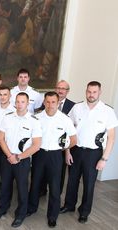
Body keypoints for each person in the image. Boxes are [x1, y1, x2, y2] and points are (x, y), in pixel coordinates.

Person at [60, 81, 118, 224]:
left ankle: (84, 212)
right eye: (89, 91)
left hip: (93, 154)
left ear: (99, 92)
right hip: (75, 150)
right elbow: (68, 131)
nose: (91, 95)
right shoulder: (77, 107)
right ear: (86, 91)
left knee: (89, 184)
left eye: (94, 92)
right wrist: (67, 152)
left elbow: (111, 137)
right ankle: (69, 205)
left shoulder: (107, 111)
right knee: (72, 180)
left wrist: (104, 159)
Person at [27, 91, 77, 228]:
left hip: (55, 155)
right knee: (35, 183)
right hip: (39, 154)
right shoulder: (36, 118)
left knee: (55, 188)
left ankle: (52, 216)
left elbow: (73, 140)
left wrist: (61, 149)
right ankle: (31, 208)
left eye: (53, 102)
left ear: (57, 102)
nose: (50, 105)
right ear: (44, 102)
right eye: (47, 102)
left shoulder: (65, 119)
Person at [0, 92, 41, 228]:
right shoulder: (7, 118)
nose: (19, 105)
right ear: (15, 102)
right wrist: (9, 155)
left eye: (23, 102)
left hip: (22, 160)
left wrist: (18, 157)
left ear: (27, 103)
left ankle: (20, 214)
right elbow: (1, 139)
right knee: (5, 186)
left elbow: (36, 145)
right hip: (7, 158)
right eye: (18, 102)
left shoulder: (34, 121)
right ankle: (2, 209)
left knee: (22, 188)